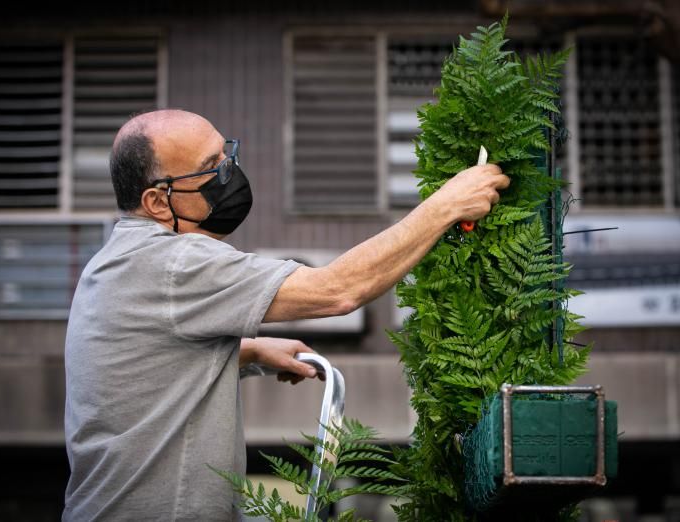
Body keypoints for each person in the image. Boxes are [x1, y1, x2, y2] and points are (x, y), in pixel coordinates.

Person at [63, 109, 509, 521]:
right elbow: (338, 291)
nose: (230, 174)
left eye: (228, 155)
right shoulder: (176, 263)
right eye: (213, 168)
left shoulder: (112, 264)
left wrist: (250, 351)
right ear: (159, 203)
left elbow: (138, 366)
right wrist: (446, 205)